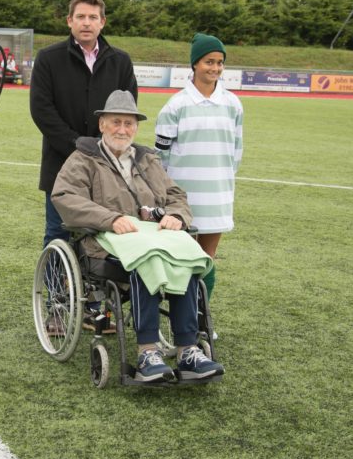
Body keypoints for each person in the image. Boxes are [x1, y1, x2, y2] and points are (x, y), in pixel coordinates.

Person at [52, 90, 225, 383]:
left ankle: (187, 349)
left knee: (187, 256)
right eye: (116, 122)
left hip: (153, 234)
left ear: (136, 128)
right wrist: (111, 218)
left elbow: (175, 194)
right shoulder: (84, 158)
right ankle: (147, 352)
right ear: (102, 125)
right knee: (147, 258)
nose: (122, 129)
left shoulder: (147, 159)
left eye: (129, 124)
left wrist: (176, 215)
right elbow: (65, 196)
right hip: (105, 238)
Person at [30, 0, 137, 248]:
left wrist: (104, 148)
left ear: (103, 22)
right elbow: (41, 110)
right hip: (61, 162)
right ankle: (56, 286)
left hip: (108, 164)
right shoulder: (48, 58)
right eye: (80, 17)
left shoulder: (120, 61)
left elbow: (127, 111)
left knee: (104, 231)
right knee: (58, 231)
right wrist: (78, 144)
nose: (86, 22)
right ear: (69, 21)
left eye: (92, 17)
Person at [154, 34, 243, 301]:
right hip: (185, 196)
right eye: (208, 62)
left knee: (207, 259)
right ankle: (184, 321)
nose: (215, 68)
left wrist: (223, 177)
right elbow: (161, 157)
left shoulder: (233, 104)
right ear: (194, 64)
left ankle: (201, 318)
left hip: (218, 194)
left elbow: (236, 150)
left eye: (219, 62)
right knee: (185, 258)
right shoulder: (176, 105)